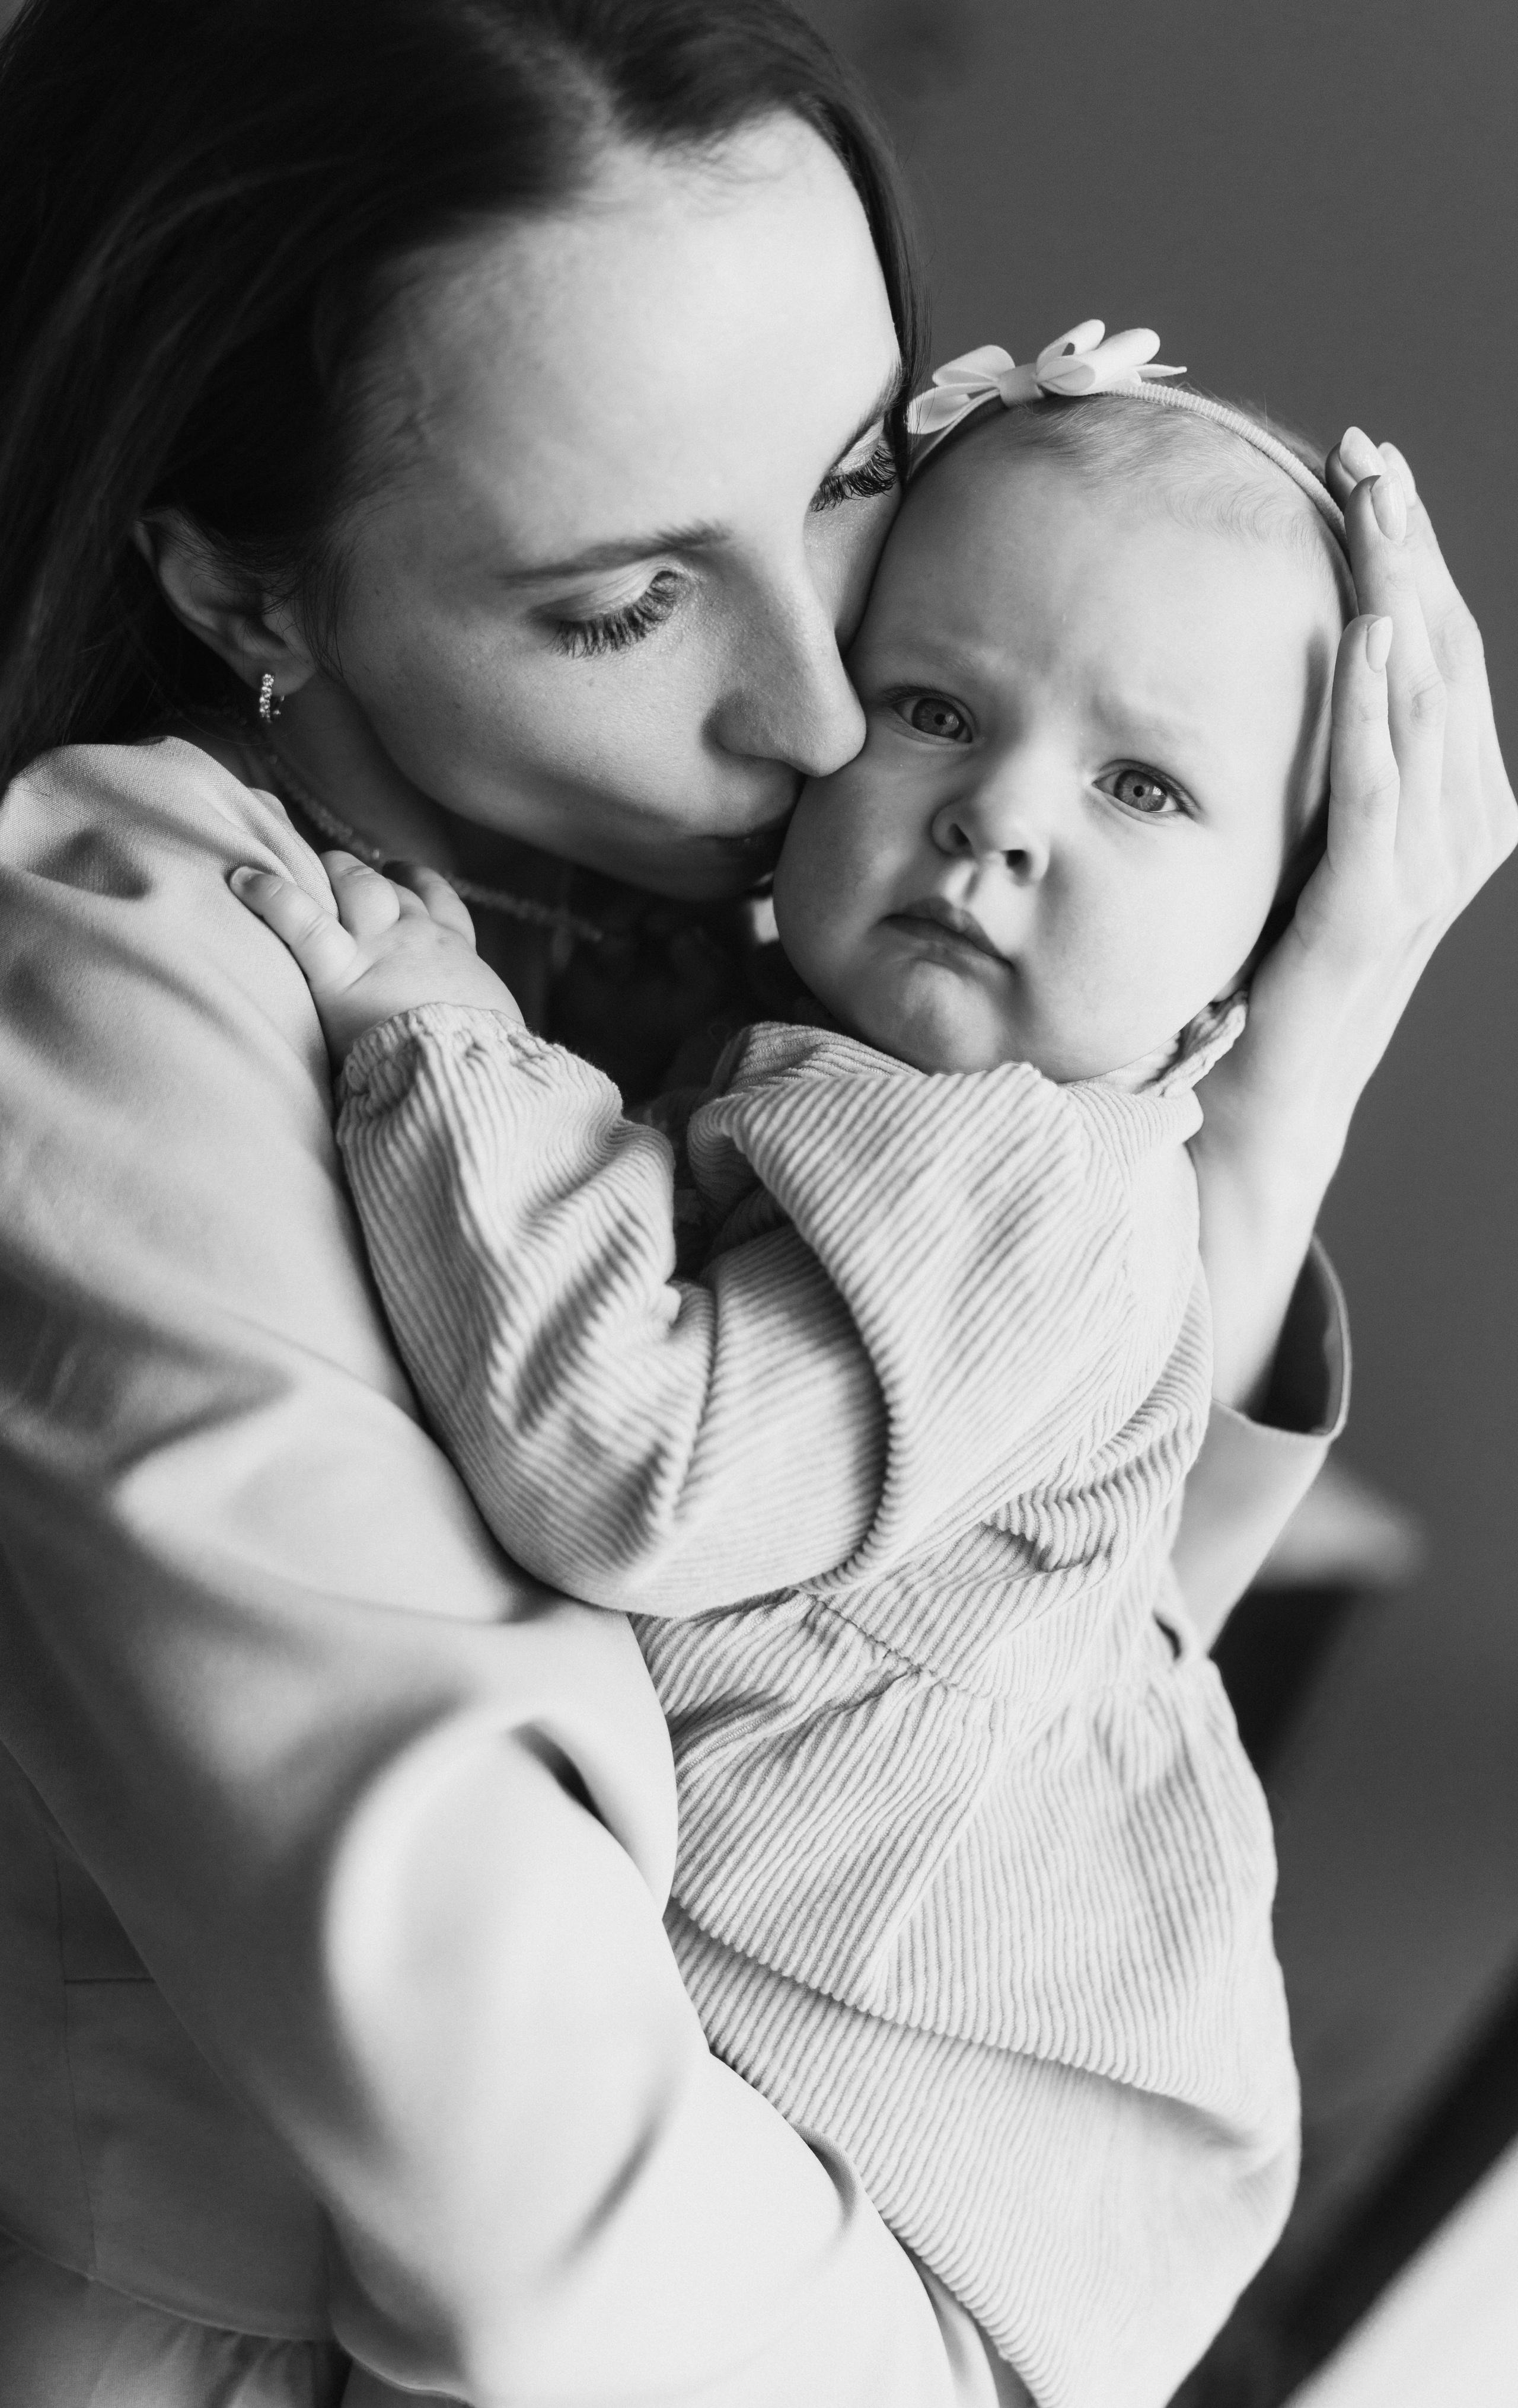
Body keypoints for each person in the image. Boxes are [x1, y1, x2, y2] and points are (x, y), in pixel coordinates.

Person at [0, 0, 1509, 2400]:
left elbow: (941, 1707)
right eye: (621, 603)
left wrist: (1287, 1031)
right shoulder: (130, 958)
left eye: (843, 476)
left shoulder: (753, 939)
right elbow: (532, 2200)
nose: (825, 705)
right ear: (239, 582)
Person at [231, 331, 1369, 2408]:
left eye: (1145, 782)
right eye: (934, 706)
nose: (999, 820)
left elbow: (631, 1464)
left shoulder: (1016, 1178)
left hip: (928, 2170)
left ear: (1257, 957)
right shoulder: (862, 1083)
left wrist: (433, 1040)